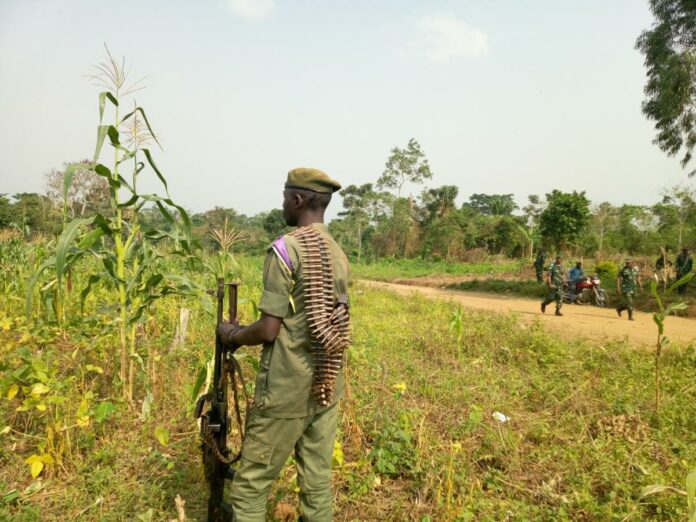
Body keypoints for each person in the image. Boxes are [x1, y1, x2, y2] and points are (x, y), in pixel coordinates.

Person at [217, 167, 350, 521]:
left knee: (250, 486)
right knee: (317, 484)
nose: (282, 204)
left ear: (297, 199)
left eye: (284, 197)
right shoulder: (338, 253)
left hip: (286, 391)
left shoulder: (285, 250)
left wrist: (231, 334)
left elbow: (268, 329)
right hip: (327, 385)